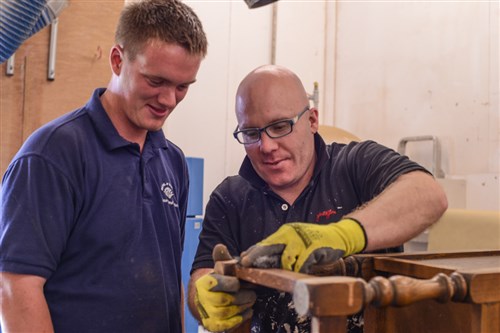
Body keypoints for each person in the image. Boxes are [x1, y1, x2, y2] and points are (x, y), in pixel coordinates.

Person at [187, 64, 448, 333]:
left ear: (312, 120)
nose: (266, 147)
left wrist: (343, 235)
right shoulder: (230, 197)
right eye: (251, 134)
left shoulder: (356, 164)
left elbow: (428, 195)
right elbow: (202, 276)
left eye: (279, 126)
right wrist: (204, 298)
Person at [0, 0, 207, 332]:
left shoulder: (173, 161)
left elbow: (170, 281)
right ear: (117, 60)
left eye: (182, 87)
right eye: (156, 81)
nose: (169, 100)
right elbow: (16, 288)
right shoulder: (52, 155)